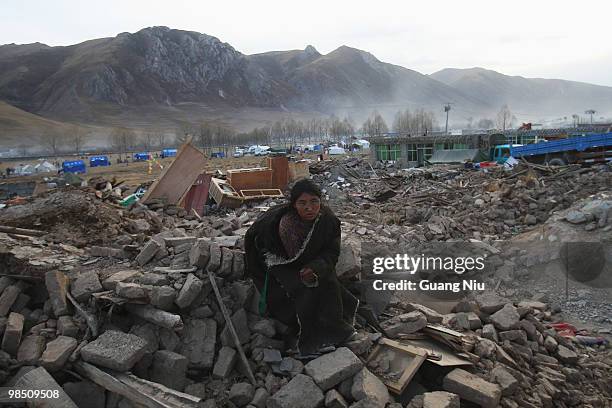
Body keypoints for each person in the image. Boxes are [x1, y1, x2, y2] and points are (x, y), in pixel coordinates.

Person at [245, 179, 358, 356]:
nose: (309, 208)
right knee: (301, 288)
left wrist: (316, 268)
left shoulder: (328, 221)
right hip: (279, 260)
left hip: (311, 261)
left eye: (314, 202)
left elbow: (331, 251)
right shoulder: (287, 226)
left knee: (327, 281)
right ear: (294, 205)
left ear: (321, 202)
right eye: (302, 203)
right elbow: (292, 259)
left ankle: (335, 330)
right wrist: (309, 272)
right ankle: (309, 338)